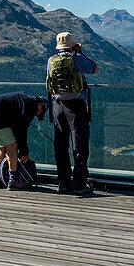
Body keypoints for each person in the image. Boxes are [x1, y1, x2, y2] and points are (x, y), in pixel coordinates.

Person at [46, 32, 99, 194]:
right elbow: (95, 69)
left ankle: (63, 183)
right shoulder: (77, 58)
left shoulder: (51, 60)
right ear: (72, 45)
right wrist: (81, 53)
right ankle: (79, 184)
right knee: (79, 145)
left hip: (57, 105)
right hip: (76, 106)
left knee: (60, 145)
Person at [0, 93, 46, 190]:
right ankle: (13, 180)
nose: (37, 115)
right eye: (41, 111)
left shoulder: (23, 100)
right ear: (40, 104)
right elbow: (22, 130)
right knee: (12, 147)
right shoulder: (31, 105)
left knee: (3, 146)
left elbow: (17, 126)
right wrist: (24, 153)